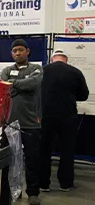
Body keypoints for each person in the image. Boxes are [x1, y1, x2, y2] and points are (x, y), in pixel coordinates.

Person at [0, 39, 43, 205]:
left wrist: (13, 85)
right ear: (12, 53)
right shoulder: (7, 70)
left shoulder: (36, 69)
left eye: (21, 50)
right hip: (10, 123)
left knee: (32, 159)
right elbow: (2, 85)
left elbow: (34, 83)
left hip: (30, 123)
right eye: (15, 51)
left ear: (27, 51)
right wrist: (18, 86)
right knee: (8, 160)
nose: (18, 53)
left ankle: (33, 193)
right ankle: (7, 192)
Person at [40, 49, 89, 192]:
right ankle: (65, 184)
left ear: (52, 58)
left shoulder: (42, 70)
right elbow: (84, 95)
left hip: (45, 115)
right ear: (66, 59)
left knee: (44, 150)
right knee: (67, 151)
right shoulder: (75, 72)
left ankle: (43, 184)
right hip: (67, 116)